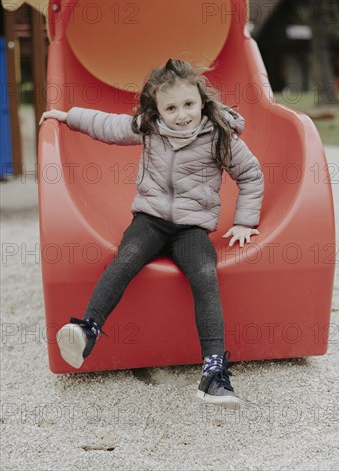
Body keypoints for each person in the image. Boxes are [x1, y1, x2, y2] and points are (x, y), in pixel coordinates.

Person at [39, 58, 264, 408]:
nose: (182, 114)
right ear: (157, 109)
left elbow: (250, 174)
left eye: (189, 104)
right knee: (125, 258)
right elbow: (110, 126)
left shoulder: (220, 135)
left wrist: (244, 222)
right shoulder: (149, 127)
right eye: (171, 107)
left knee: (205, 276)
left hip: (192, 227)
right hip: (150, 220)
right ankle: (87, 330)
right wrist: (68, 116)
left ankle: (213, 372)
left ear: (201, 101)